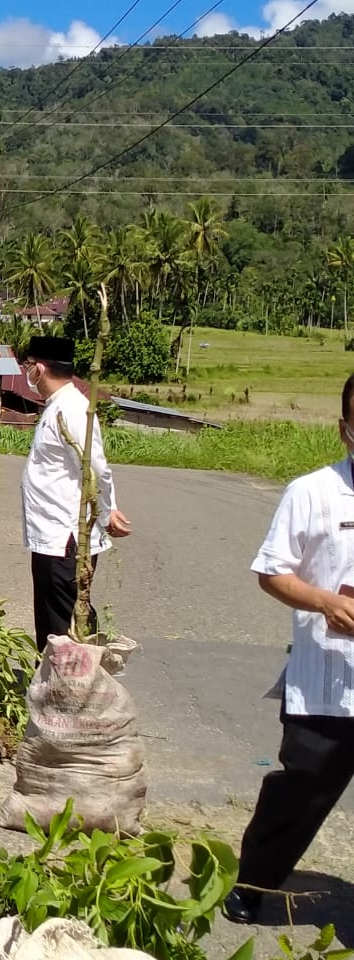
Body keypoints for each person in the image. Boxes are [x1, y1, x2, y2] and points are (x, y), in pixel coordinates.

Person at [223, 371, 354, 924]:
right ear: (346, 429)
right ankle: (254, 885)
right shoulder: (312, 491)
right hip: (326, 678)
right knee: (300, 791)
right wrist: (325, 602)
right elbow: (271, 572)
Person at [19, 336, 131, 651]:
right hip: (49, 533)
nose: (27, 372)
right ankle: (55, 683)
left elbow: (96, 468)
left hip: (65, 535)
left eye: (28, 366)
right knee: (52, 616)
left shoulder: (72, 408)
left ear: (39, 368)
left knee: (66, 619)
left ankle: (73, 687)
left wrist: (107, 510)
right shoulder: (56, 406)